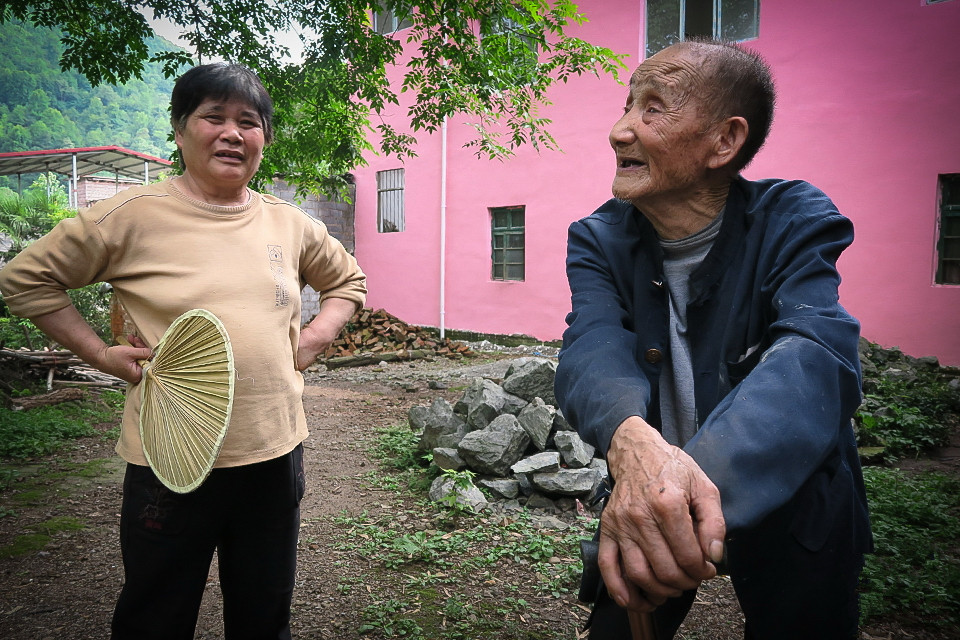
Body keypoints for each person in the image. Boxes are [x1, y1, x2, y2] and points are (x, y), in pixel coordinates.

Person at [0, 63, 366, 639]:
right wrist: (99, 353)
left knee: (264, 610)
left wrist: (316, 335)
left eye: (248, 122)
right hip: (168, 462)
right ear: (179, 129)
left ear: (264, 140)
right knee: (157, 614)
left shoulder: (288, 222)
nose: (232, 133)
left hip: (273, 453)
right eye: (212, 117)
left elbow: (347, 283)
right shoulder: (131, 216)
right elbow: (25, 280)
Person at [554, 39, 872, 639]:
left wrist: (673, 482)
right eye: (627, 104)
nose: (620, 130)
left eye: (653, 108)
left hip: (791, 492)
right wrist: (631, 445)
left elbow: (815, 353)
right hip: (651, 493)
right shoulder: (599, 238)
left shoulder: (794, 220)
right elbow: (590, 346)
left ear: (724, 141)